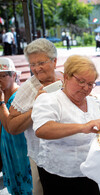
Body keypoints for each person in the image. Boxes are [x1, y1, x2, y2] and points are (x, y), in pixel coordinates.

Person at [31, 55, 100, 195]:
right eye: (81, 81)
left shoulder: (93, 103)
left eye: (90, 84)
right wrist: (82, 127)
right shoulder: (49, 100)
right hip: (60, 175)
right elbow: (42, 129)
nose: (85, 88)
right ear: (66, 77)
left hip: (90, 172)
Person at [7, 38, 64, 195]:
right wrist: (37, 106)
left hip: (69, 153)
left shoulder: (66, 78)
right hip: (43, 158)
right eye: (32, 64)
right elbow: (12, 126)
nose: (36, 69)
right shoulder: (29, 88)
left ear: (54, 61)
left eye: (41, 63)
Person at [0, 58, 32, 194]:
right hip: (7, 152)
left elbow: (10, 127)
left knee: (27, 187)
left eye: (3, 75)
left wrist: (1, 102)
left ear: (14, 75)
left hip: (22, 152)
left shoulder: (20, 97)